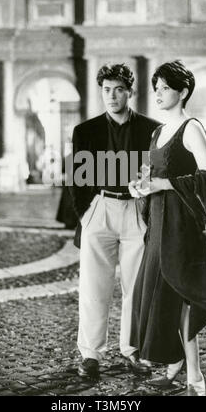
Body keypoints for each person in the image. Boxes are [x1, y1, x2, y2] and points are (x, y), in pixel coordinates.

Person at [129, 60, 206, 396]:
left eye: (165, 87)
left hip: (181, 229)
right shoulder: (156, 132)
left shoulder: (191, 128)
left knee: (181, 299)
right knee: (157, 299)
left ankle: (194, 376)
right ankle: (175, 365)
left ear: (183, 92)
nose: (158, 93)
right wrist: (141, 186)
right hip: (159, 226)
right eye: (156, 87)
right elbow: (151, 176)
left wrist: (163, 184)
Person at [69, 64, 160, 378]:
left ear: (130, 92)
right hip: (101, 208)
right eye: (106, 90)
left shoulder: (153, 129)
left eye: (118, 89)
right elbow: (76, 181)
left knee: (136, 286)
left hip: (137, 210)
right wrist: (86, 214)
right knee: (94, 286)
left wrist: (149, 211)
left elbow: (158, 174)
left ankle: (133, 351)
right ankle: (91, 355)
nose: (112, 95)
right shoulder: (85, 131)